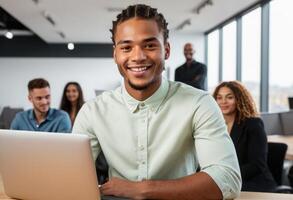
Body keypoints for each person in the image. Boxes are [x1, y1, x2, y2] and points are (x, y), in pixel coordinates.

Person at [73, 4, 241, 199]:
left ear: (167, 50)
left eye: (149, 45)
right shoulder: (93, 111)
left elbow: (227, 179)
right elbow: (69, 177)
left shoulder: (199, 104)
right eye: (126, 47)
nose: (138, 57)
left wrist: (141, 189)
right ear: (115, 55)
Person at [213, 81, 276, 192]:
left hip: (253, 183)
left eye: (229, 97)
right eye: (219, 97)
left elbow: (257, 165)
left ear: (239, 99)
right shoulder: (214, 126)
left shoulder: (253, 124)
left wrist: (225, 178)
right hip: (224, 182)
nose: (223, 102)